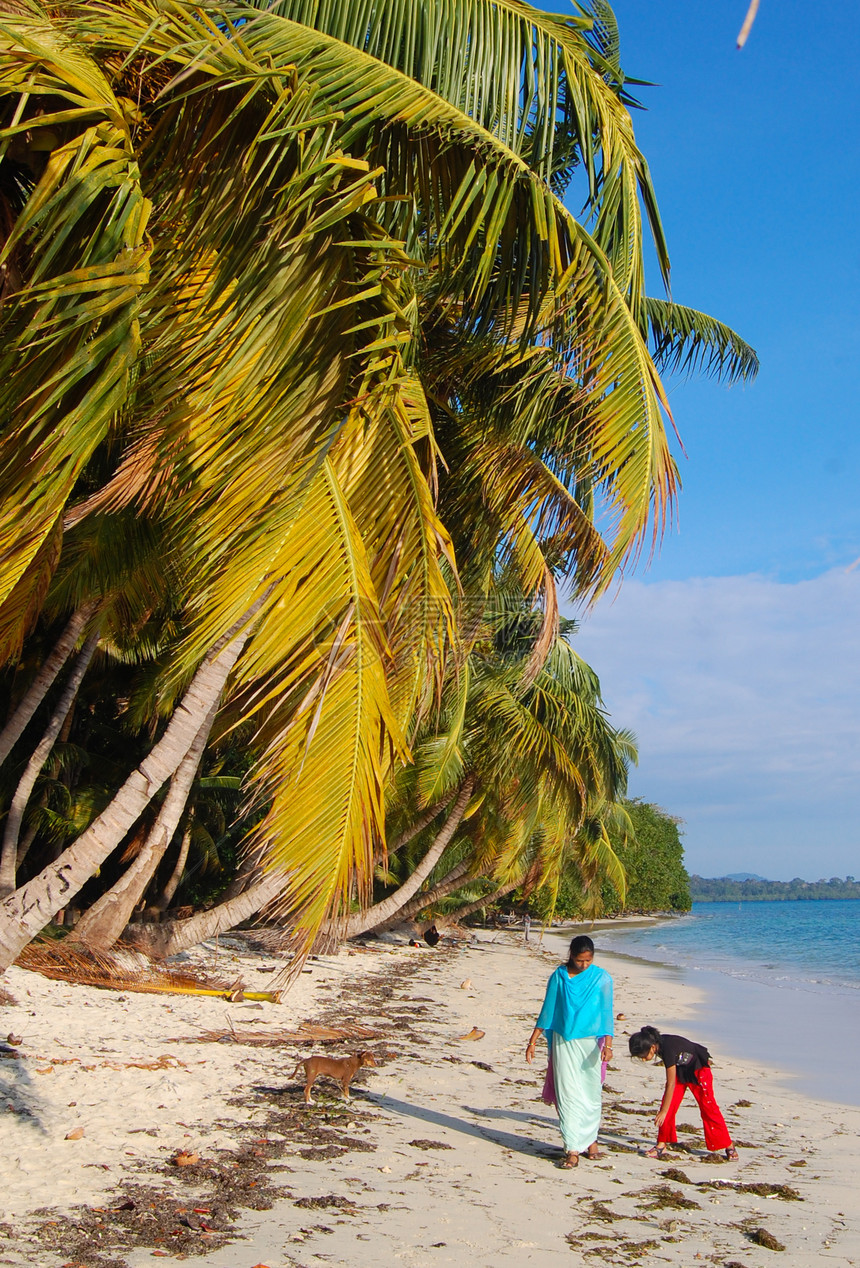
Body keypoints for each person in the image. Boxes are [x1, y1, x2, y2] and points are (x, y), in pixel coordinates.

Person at [525, 935, 614, 1169]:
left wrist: (609, 1045)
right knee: (567, 1095)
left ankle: (591, 1140)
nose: (584, 965)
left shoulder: (602, 978)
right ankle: (573, 1148)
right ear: (571, 955)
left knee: (591, 1095)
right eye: (579, 960)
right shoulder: (559, 977)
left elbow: (606, 1013)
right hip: (563, 1042)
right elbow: (548, 1009)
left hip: (591, 1045)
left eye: (588, 960)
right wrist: (533, 1041)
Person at [628, 1024, 738, 1160]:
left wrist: (663, 1112)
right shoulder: (657, 1043)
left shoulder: (667, 1048)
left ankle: (728, 1145)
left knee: (709, 1108)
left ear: (652, 1047)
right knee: (668, 1105)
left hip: (699, 1070)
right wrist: (665, 1110)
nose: (644, 1059)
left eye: (643, 1056)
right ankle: (661, 1145)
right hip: (682, 1070)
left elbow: (671, 1083)